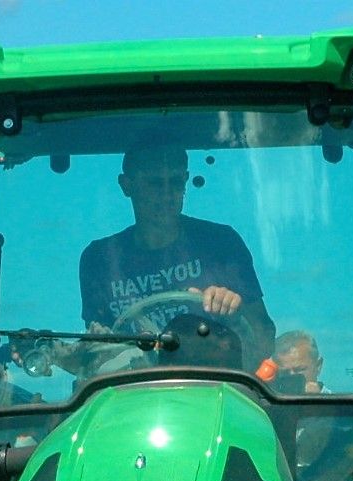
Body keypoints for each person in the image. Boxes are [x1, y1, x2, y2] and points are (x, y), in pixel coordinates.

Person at [78, 138, 275, 369]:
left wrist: (234, 311)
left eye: (176, 182)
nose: (167, 193)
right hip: (134, 391)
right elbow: (97, 350)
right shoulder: (99, 259)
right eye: (154, 183)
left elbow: (265, 339)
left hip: (213, 388)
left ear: (186, 182)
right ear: (126, 185)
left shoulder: (220, 243)